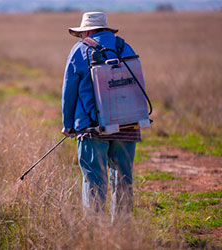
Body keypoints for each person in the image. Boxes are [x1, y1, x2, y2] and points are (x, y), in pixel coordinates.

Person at [62, 12, 141, 221]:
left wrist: (68, 125)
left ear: (86, 31)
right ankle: (122, 233)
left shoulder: (79, 50)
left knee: (94, 181)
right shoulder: (125, 47)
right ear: (106, 29)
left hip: (91, 128)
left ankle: (95, 233)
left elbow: (69, 92)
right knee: (123, 179)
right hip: (128, 123)